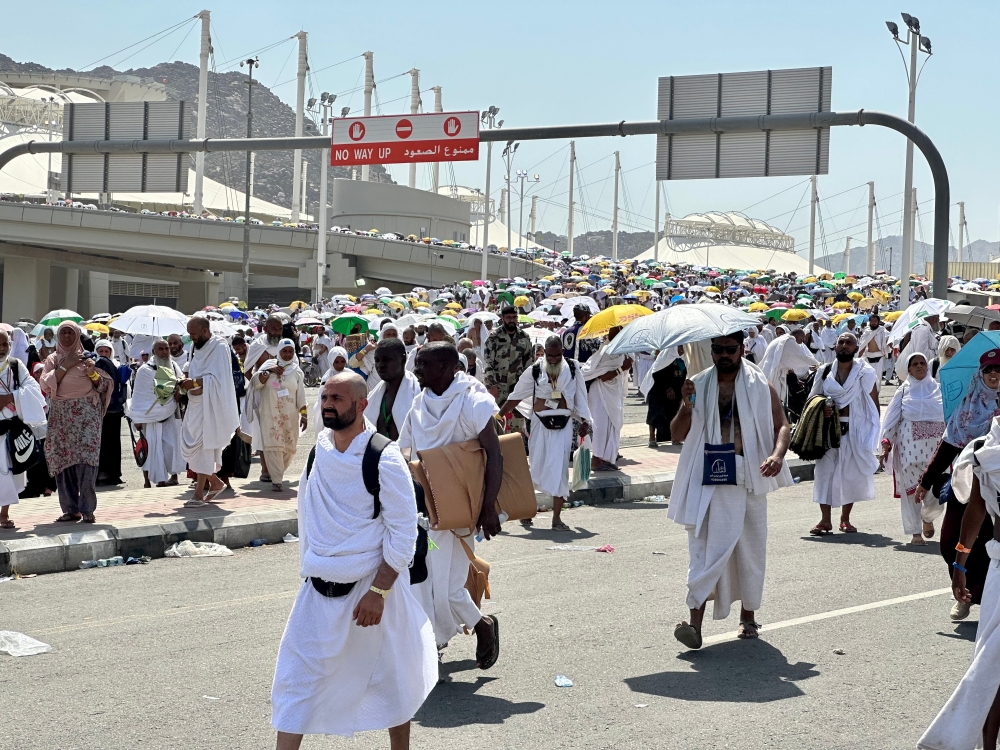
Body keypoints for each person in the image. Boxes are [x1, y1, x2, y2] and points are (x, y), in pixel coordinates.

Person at [270, 373, 436, 750]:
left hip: (371, 590)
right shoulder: (319, 452)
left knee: (391, 679)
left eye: (337, 398)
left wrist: (379, 592)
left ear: (361, 405)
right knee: (295, 682)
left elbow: (403, 533)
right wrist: (310, 568)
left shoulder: (384, 457)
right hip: (318, 588)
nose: (328, 404)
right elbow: (309, 519)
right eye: (325, 397)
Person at [668, 331, 792, 648]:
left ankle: (748, 617)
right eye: (718, 349)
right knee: (703, 552)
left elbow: (782, 424)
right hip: (708, 478)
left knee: (750, 551)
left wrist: (777, 455)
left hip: (748, 477)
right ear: (711, 351)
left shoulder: (760, 384)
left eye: (731, 349)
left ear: (742, 349)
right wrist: (685, 405)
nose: (724, 355)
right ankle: (694, 626)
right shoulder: (697, 384)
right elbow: (677, 435)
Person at [398, 343, 502, 669]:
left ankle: (448, 640)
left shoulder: (473, 401)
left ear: (445, 367)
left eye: (423, 365)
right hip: (425, 509)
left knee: (440, 587)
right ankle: (474, 628)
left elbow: (494, 455)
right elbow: (403, 452)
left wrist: (488, 508)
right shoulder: (418, 404)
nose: (416, 371)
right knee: (433, 584)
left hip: (462, 507)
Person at [917, 420, 1000, 750]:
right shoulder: (985, 449)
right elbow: (976, 509)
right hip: (999, 569)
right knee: (991, 665)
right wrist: (959, 564)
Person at [917, 350, 1000, 621]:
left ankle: (979, 597)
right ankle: (964, 590)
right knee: (951, 541)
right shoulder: (967, 408)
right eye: (988, 369)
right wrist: (926, 481)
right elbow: (948, 446)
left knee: (988, 544)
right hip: (965, 483)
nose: (994, 374)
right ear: (979, 374)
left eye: (999, 369)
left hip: (995, 489)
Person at [498, 335, 591, 531]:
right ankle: (526, 512)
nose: (553, 360)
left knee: (560, 470)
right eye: (550, 356)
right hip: (540, 426)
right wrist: (498, 416)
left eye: (557, 356)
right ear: (544, 353)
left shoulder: (573, 368)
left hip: (563, 427)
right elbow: (515, 396)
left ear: (562, 352)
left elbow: (581, 396)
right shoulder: (535, 370)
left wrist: (585, 421)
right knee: (536, 468)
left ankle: (556, 519)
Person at [807, 332, 880, 535]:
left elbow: (873, 403)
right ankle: (825, 520)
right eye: (841, 342)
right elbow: (812, 399)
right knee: (824, 473)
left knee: (850, 474)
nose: (845, 345)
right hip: (828, 430)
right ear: (836, 346)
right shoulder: (824, 371)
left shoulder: (865, 373)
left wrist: (873, 431)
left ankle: (845, 519)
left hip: (854, 429)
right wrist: (822, 408)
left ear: (856, 348)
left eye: (849, 342)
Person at [39, 321, 113, 524]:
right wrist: (67, 364)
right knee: (63, 461)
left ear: (77, 335)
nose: (67, 336)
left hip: (87, 416)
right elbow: (45, 384)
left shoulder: (89, 358)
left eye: (71, 333)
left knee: (87, 461)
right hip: (61, 416)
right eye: (63, 332)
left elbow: (103, 386)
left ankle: (88, 509)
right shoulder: (53, 359)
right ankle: (70, 510)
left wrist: (92, 373)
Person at [878, 352, 946, 544]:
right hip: (909, 452)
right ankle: (915, 533)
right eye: (914, 364)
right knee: (911, 492)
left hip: (937, 453)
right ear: (908, 369)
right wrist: (885, 445)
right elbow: (891, 420)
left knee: (935, 492)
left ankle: (927, 517)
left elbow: (950, 418)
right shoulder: (903, 392)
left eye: (922, 363)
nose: (919, 366)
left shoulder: (939, 390)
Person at [180, 317, 240, 505]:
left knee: (204, 448)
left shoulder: (219, 347)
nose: (191, 338)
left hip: (212, 404)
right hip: (195, 404)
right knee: (193, 447)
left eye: (194, 334)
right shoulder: (194, 347)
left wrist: (194, 383)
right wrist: (185, 382)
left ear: (205, 331)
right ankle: (214, 482)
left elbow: (220, 379)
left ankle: (200, 493)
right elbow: (194, 370)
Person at [0, 331, 47, 530]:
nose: (1, 348)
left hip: (11, 430)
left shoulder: (15, 365)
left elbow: (33, 388)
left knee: (9, 474)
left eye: (5, 344)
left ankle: (4, 513)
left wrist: (11, 397)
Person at [252, 339, 307, 492]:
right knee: (273, 445)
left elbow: (301, 395)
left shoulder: (297, 372)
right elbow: (255, 383)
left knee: (289, 446)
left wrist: (304, 415)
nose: (287, 354)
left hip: (290, 416)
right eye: (284, 351)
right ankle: (276, 480)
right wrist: (269, 371)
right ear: (279, 352)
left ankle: (278, 473)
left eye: (290, 351)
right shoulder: (268, 366)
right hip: (270, 414)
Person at [129, 339, 185, 488]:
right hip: (149, 417)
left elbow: (181, 383)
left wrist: (180, 390)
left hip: (170, 414)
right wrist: (137, 418)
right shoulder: (144, 370)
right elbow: (139, 396)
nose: (164, 352)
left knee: (171, 447)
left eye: (166, 348)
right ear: (154, 352)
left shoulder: (174, 366)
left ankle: (173, 477)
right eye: (160, 349)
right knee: (150, 448)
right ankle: (148, 481)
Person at [582, 325, 630, 471]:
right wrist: (622, 368)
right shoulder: (605, 352)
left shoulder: (621, 352)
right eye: (617, 332)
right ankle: (596, 460)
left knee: (612, 426)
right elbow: (603, 376)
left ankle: (606, 459)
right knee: (601, 427)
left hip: (613, 394)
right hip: (600, 393)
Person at [363, 339, 420, 441]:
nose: (380, 365)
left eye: (387, 360)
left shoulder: (418, 395)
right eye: (377, 360)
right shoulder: (374, 395)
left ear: (403, 360)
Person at [483, 306, 534, 411]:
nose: (512, 320)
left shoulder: (524, 337)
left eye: (514, 317)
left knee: (517, 419)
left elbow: (528, 364)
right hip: (498, 388)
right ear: (502, 318)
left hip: (518, 388)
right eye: (508, 317)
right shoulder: (494, 337)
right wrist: (492, 385)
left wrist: (527, 386)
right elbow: (488, 363)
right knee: (497, 417)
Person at [94, 339, 127, 487]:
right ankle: (100, 474)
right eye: (100, 351)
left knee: (113, 443)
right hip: (98, 411)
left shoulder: (117, 366)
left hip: (114, 411)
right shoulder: (92, 366)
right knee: (99, 442)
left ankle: (114, 474)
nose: (103, 354)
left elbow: (123, 388)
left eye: (106, 351)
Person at [643, 346, 687, 447]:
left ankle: (675, 437)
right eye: (680, 347)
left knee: (675, 414)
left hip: (676, 390)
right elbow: (656, 373)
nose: (682, 350)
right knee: (655, 414)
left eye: (684, 347)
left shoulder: (684, 358)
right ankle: (651, 438)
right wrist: (667, 389)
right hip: (658, 389)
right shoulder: (665, 356)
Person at [858, 314, 890, 383]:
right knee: (867, 379)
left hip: (879, 357)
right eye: (872, 321)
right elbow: (863, 345)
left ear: (878, 322)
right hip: (868, 357)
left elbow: (888, 339)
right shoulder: (866, 332)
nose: (873, 322)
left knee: (877, 379)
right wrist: (857, 357)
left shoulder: (882, 330)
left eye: (875, 321)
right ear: (869, 322)